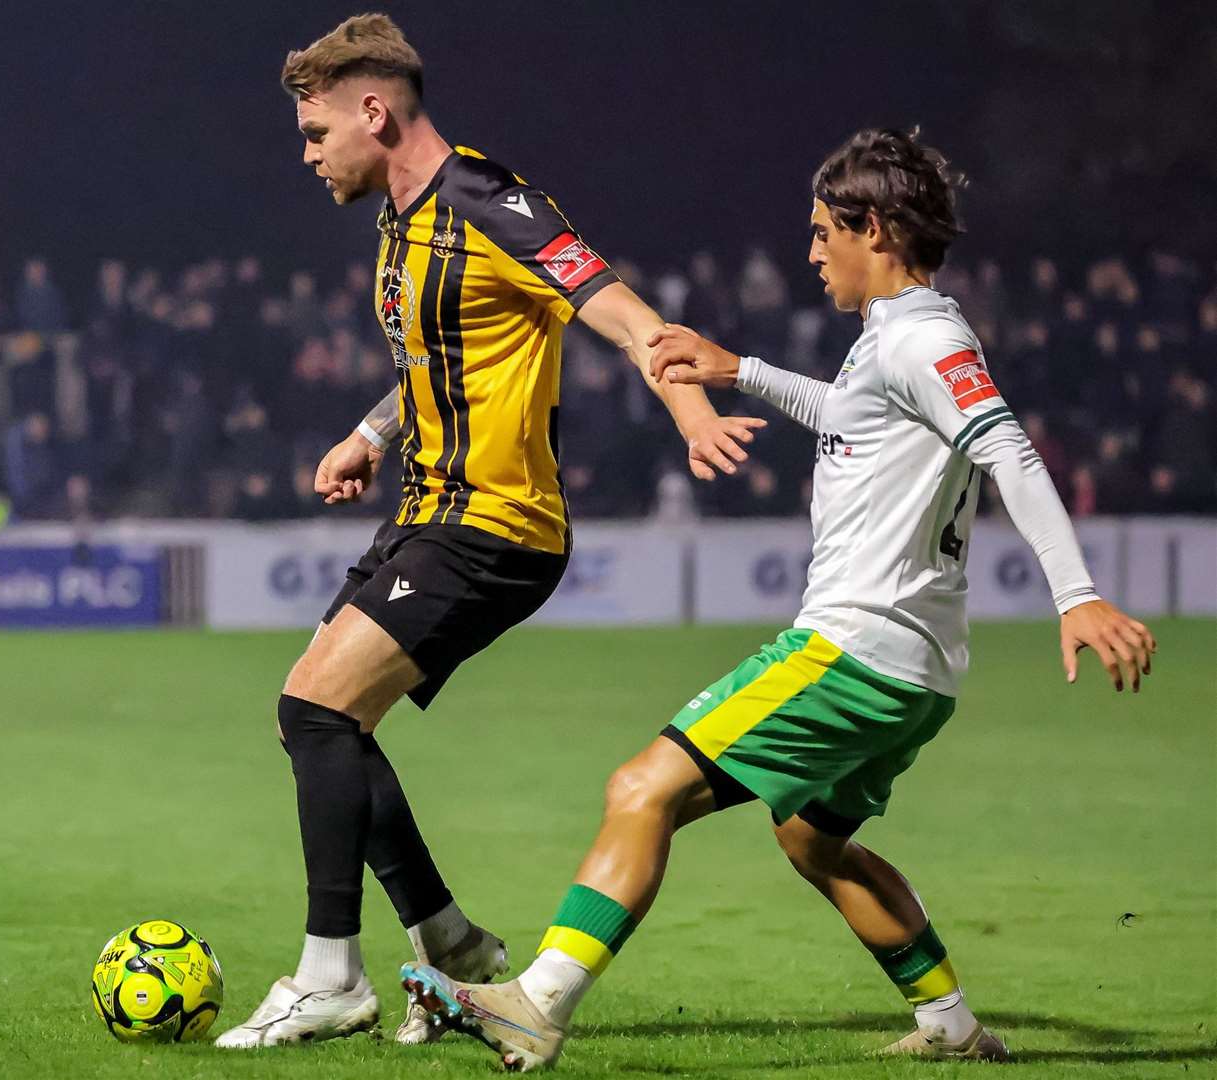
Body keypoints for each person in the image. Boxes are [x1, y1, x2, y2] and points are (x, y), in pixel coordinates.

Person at [400, 128, 1158, 1070]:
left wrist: (1076, 594)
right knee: (813, 838)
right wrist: (741, 371)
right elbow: (852, 416)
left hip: (854, 649)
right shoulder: (896, 338)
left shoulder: (924, 338)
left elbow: (1005, 445)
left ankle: (537, 1002)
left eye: (819, 232)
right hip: (916, 668)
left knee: (642, 789)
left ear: (870, 228)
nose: (808, 253)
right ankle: (951, 1026)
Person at [213, 13, 763, 1052]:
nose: (305, 153)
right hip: (427, 511)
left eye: (314, 129)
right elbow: (438, 354)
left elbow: (613, 307)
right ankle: (452, 944)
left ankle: (333, 972)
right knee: (316, 721)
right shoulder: (402, 220)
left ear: (373, 111)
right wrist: (369, 430)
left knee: (316, 710)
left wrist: (689, 406)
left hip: (496, 524)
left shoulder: (486, 201)